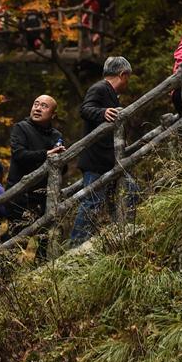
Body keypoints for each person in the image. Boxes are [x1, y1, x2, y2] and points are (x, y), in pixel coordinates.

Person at [70, 56, 138, 245]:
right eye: (128, 78)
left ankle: (119, 230)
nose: (127, 82)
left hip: (108, 159)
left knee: (129, 189)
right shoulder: (99, 88)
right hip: (96, 159)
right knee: (91, 201)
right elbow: (85, 109)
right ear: (123, 75)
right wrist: (102, 112)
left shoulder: (111, 94)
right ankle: (76, 243)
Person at [5, 96, 65, 226]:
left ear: (53, 115)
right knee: (15, 240)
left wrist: (61, 158)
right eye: (36, 104)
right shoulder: (21, 128)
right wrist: (46, 154)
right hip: (19, 194)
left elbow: (62, 169)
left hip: (44, 197)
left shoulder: (56, 136)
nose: (38, 108)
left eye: (44, 106)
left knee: (43, 238)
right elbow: (19, 155)